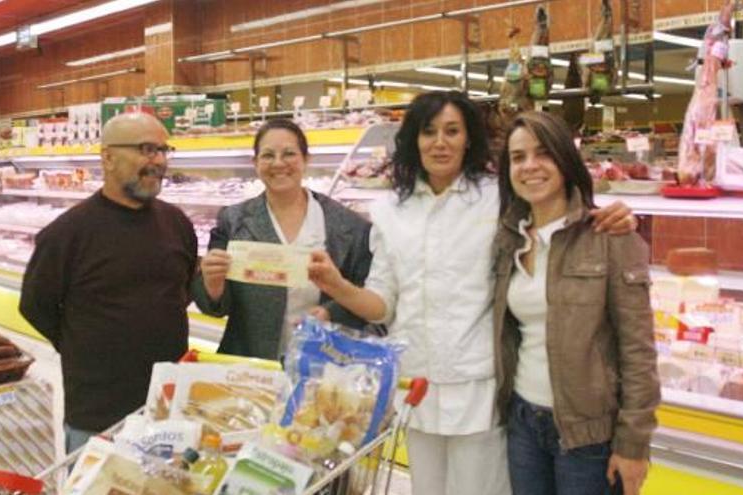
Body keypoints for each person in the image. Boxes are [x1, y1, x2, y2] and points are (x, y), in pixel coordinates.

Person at [307, 91, 637, 495]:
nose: (440, 142)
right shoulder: (391, 211)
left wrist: (605, 214)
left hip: (481, 384)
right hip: (416, 385)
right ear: (412, 139)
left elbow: (555, 213)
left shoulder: (498, 198)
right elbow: (382, 305)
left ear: (469, 140)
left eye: (452, 131)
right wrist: (337, 287)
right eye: (429, 132)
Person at [493, 111, 660, 495]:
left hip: (589, 436)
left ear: (565, 161)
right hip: (522, 423)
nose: (530, 166)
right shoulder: (508, 241)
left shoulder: (609, 236)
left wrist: (634, 445)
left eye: (543, 153)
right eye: (518, 158)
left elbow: (638, 350)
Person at [19, 112, 198, 453]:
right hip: (97, 409)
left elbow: (182, 289)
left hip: (167, 402)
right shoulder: (68, 233)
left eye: (163, 150)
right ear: (107, 157)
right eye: (147, 149)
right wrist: (83, 344)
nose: (158, 161)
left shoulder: (177, 223)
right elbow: (34, 305)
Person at [191, 119, 375, 360]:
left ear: (306, 160)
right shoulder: (232, 220)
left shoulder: (349, 225)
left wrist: (331, 313)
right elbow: (213, 307)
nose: (278, 163)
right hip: (251, 363)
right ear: (255, 163)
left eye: (289, 153)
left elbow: (368, 295)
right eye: (267, 155)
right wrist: (212, 285)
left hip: (324, 362)